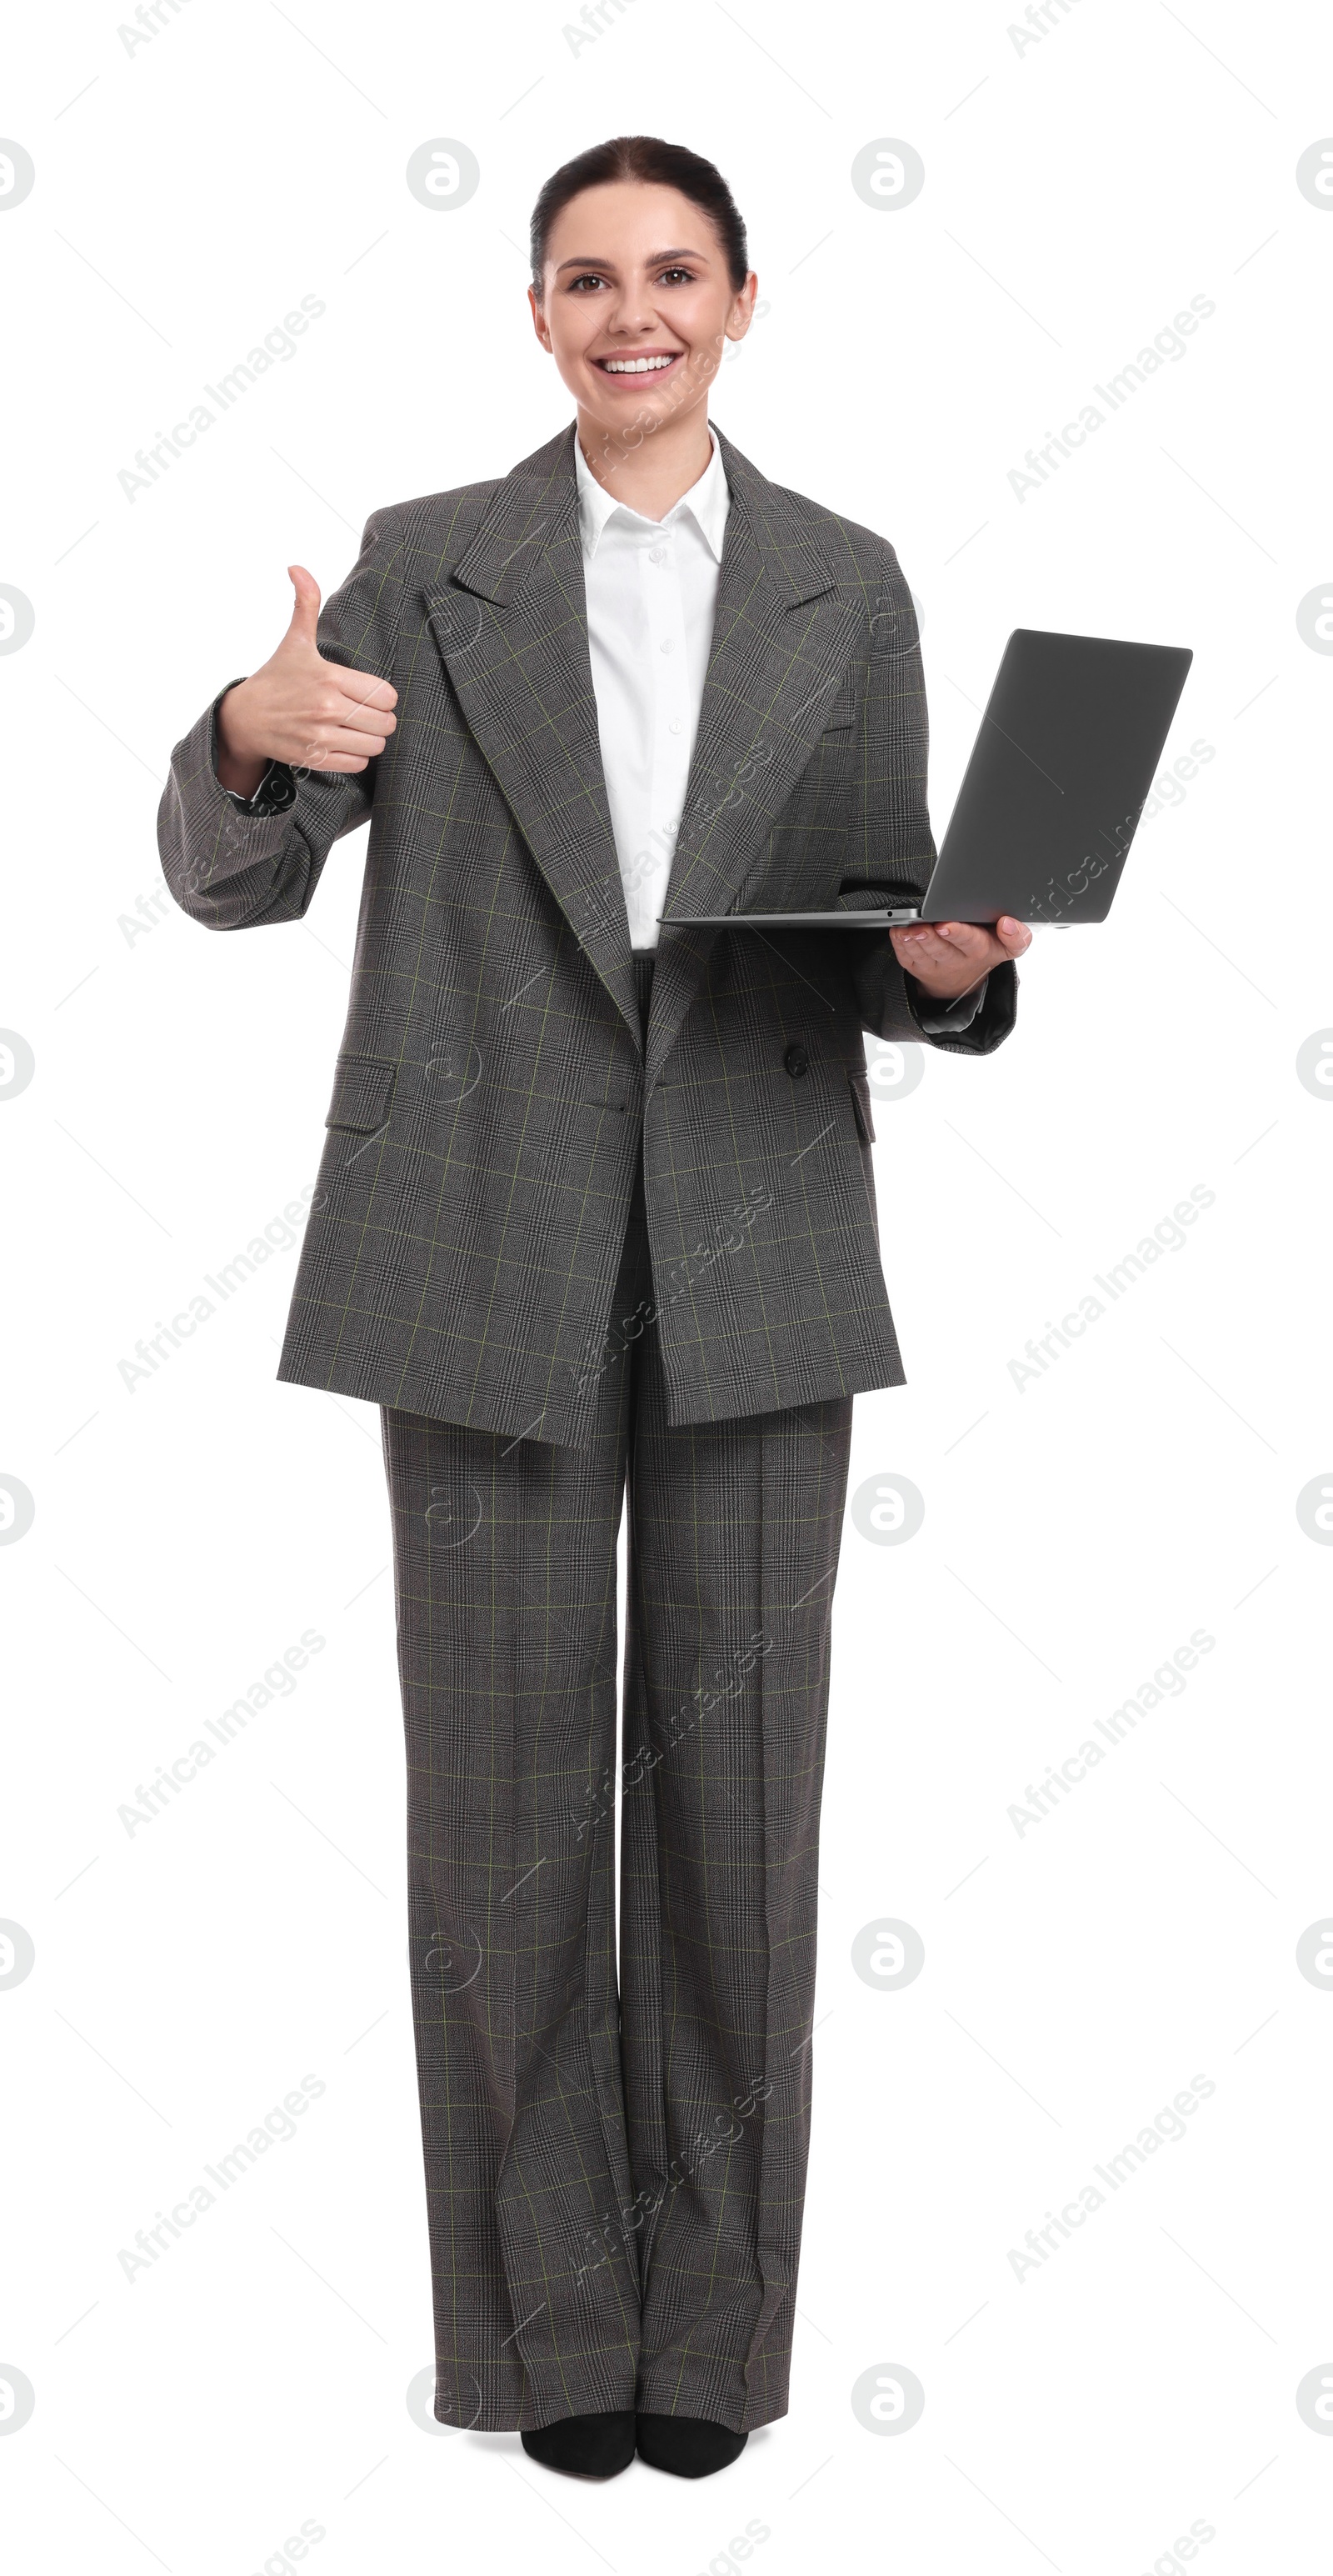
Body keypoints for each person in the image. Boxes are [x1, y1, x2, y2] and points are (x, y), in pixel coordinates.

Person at [158, 133, 1031, 2485]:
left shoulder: (849, 582)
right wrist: (250, 740)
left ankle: (707, 2343)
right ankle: (554, 2341)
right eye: (581, 277)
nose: (626, 310)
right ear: (536, 316)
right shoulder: (435, 567)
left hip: (755, 1239)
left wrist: (942, 968)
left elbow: (885, 929)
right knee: (509, 1824)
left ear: (747, 300)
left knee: (743, 1825)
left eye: (670, 272)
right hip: (477, 1242)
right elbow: (230, 875)